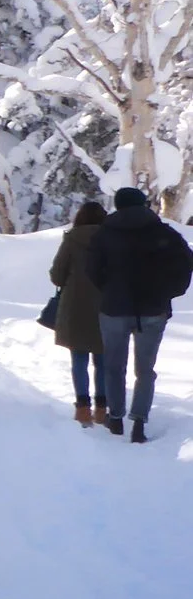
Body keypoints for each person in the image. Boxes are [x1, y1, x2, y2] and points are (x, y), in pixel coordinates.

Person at [86, 185, 193, 443]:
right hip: (153, 309)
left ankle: (115, 417)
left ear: (118, 205)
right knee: (145, 369)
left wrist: (109, 289)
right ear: (144, 204)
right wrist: (168, 293)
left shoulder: (104, 234)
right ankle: (139, 423)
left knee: (113, 366)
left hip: (113, 308)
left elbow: (91, 269)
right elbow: (185, 264)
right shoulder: (163, 232)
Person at [48, 198, 108, 427]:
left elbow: (57, 275)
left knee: (79, 358)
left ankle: (83, 408)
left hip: (75, 306)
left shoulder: (72, 239)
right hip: (106, 305)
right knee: (103, 359)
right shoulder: (111, 240)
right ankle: (102, 408)